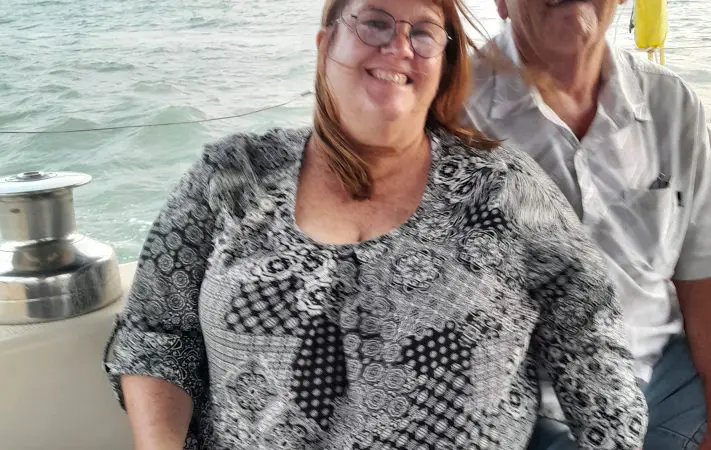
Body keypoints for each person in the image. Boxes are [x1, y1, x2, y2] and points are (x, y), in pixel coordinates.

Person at [103, 0, 648, 448]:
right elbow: (155, 333)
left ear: (443, 64)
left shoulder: (502, 186)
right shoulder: (233, 174)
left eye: (426, 33)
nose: (400, 45)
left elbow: (589, 337)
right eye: (374, 22)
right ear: (326, 46)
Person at [464, 0, 711, 449]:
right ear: (501, 4)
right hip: (529, 407)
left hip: (666, 368)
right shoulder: (450, 111)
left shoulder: (670, 104)